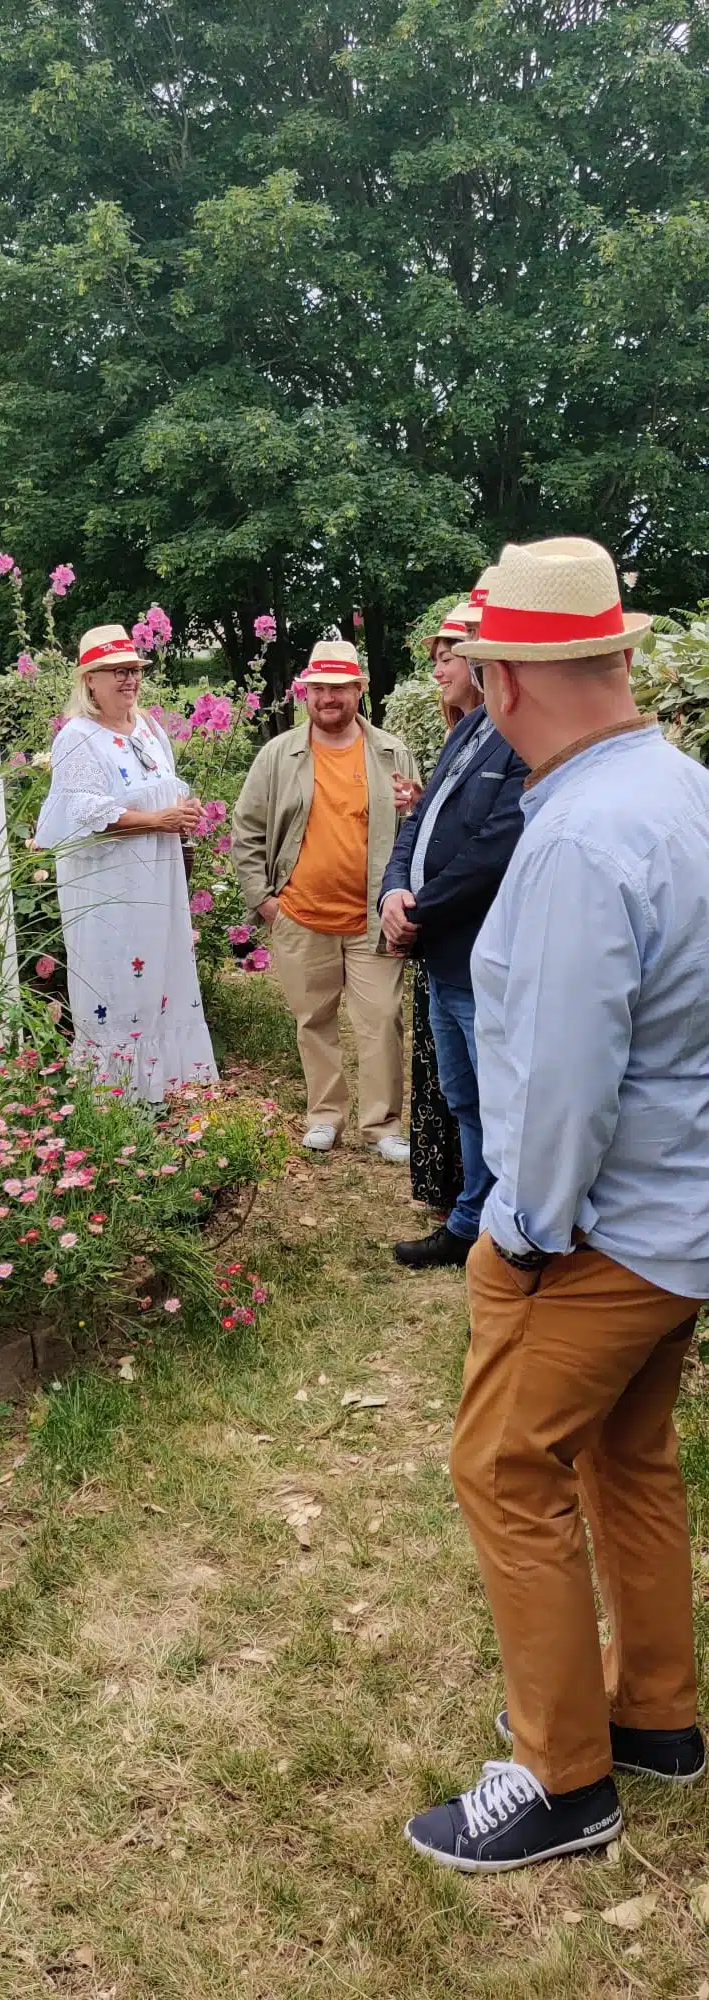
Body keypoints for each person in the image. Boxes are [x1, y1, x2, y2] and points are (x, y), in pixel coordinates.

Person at [405, 536, 709, 1874]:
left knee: (501, 1467)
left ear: (509, 682)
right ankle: (656, 1716)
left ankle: (560, 1777)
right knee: (629, 1460)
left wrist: (518, 1233)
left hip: (594, 1232)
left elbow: (566, 1080)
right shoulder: (680, 788)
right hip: (678, 1218)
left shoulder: (579, 834)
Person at [232, 639, 419, 1159]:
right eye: (318, 688)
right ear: (305, 693)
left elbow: (415, 827)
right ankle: (324, 1115)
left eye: (339, 686)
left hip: (371, 919)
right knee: (313, 1020)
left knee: (381, 1019)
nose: (328, 697)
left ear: (359, 689)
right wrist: (266, 902)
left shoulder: (390, 751)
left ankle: (383, 1126)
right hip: (301, 915)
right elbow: (245, 830)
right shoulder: (279, 755)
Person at [379, 612, 526, 1264]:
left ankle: (497, 1232)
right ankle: (470, 1223)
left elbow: (494, 849)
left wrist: (422, 909)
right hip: (442, 958)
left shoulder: (522, 739)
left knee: (499, 1104)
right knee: (464, 1096)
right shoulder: (469, 728)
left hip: (478, 958)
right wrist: (391, 892)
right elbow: (420, 824)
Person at [35, 624, 218, 1098]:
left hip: (157, 880)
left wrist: (183, 810)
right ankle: (120, 1097)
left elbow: (163, 791)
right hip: (110, 888)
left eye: (133, 670)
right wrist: (158, 820)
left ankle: (168, 1086)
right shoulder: (77, 738)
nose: (128, 680)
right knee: (118, 979)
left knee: (161, 971)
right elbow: (83, 812)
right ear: (89, 680)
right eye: (116, 672)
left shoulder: (149, 728)